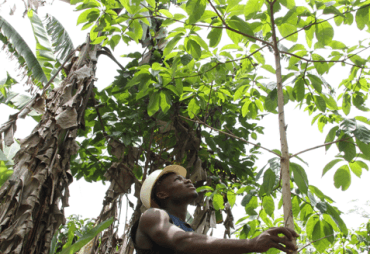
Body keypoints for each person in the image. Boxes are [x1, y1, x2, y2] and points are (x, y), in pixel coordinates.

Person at [130, 165, 299, 254]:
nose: (188, 181)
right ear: (162, 194)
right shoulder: (153, 215)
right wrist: (252, 243)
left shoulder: (188, 230)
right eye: (177, 180)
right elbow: (180, 241)